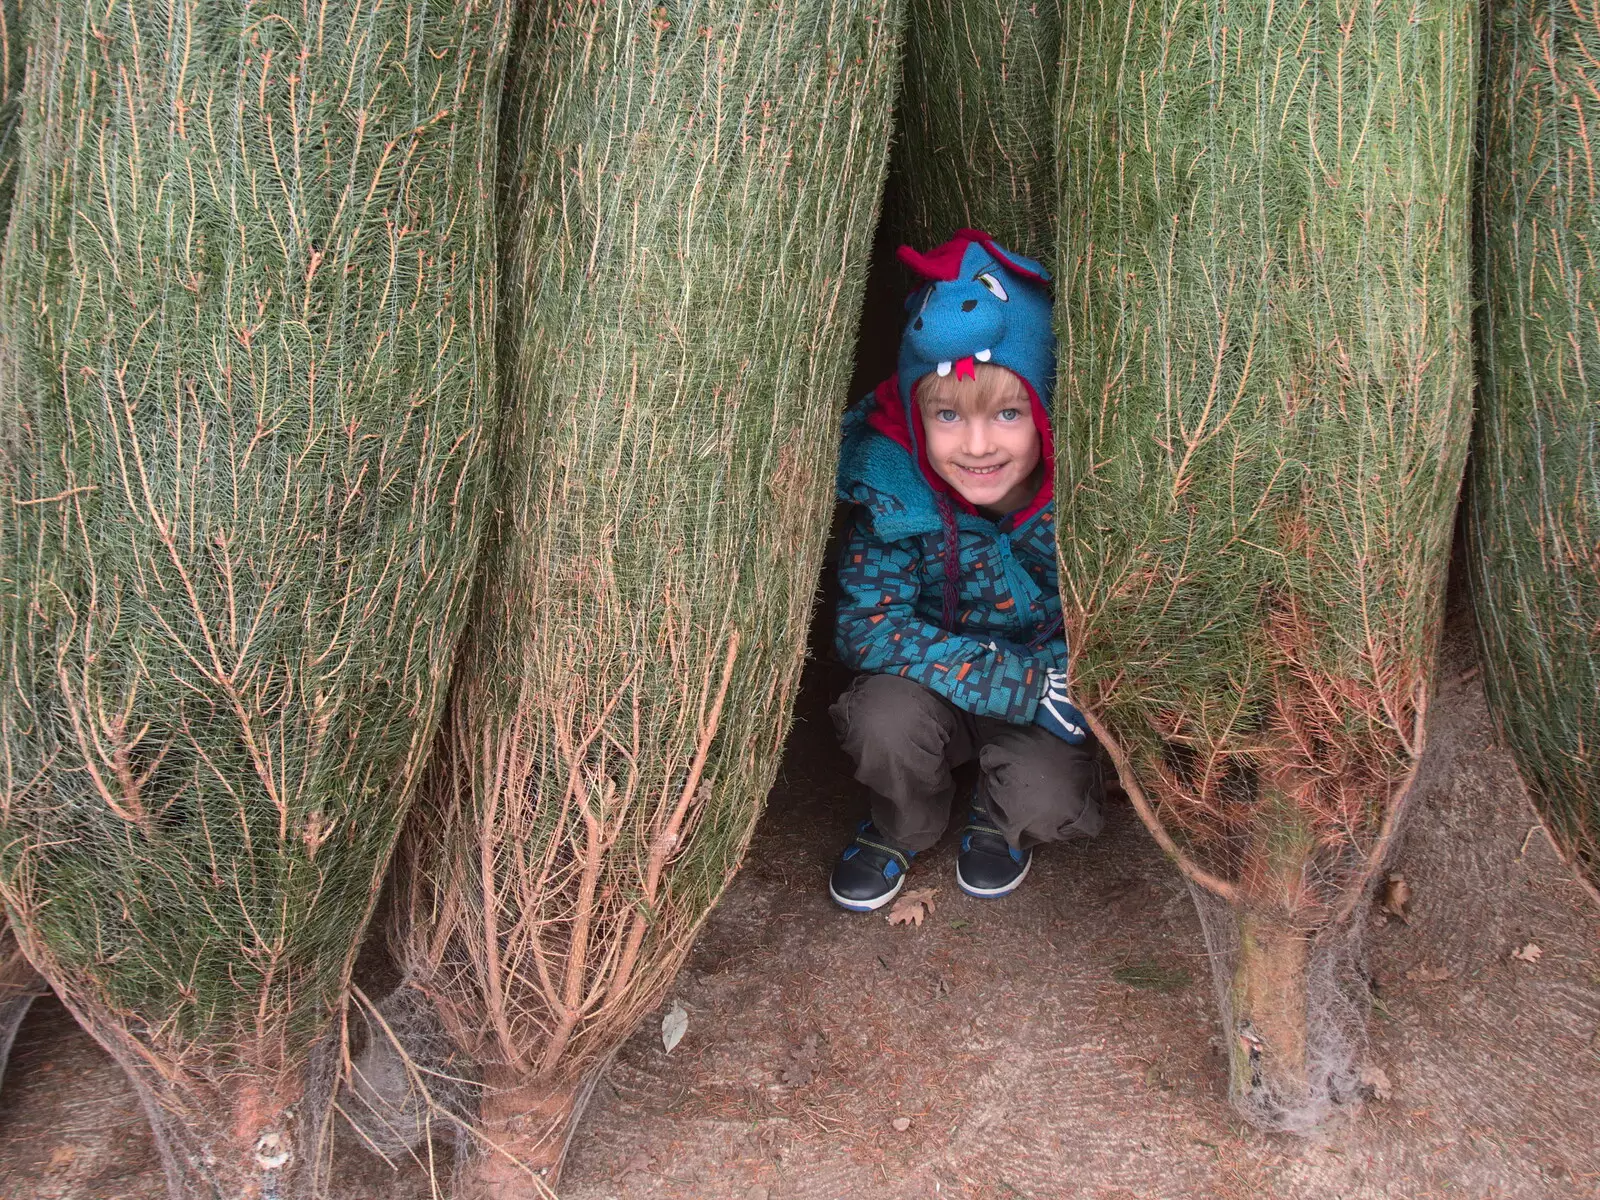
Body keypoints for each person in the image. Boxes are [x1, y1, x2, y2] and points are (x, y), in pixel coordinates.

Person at [828, 228, 1105, 912]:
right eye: (948, 415)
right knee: (880, 721)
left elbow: (1116, 611)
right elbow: (865, 627)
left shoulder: (1079, 501)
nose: (977, 445)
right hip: (937, 688)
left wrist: (1061, 680)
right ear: (917, 418)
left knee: (1050, 795)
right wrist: (1010, 682)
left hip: (1046, 696)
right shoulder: (898, 495)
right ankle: (904, 824)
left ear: (1043, 411)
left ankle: (999, 815)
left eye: (1008, 414)